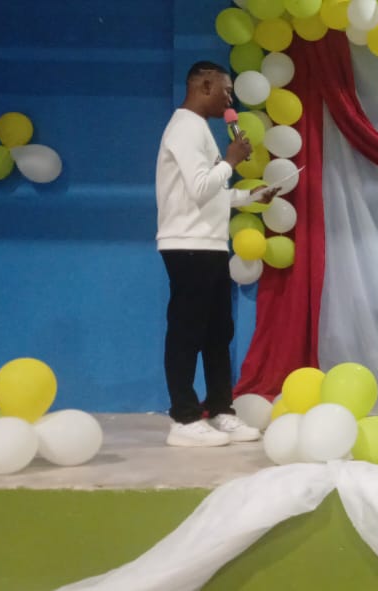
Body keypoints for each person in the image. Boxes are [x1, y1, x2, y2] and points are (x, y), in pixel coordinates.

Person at [156, 61, 276, 447]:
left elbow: (211, 193)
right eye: (226, 92)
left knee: (217, 333)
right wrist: (232, 160)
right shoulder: (185, 127)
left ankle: (221, 408)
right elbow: (200, 187)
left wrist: (249, 196)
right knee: (187, 332)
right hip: (187, 244)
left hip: (209, 244)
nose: (229, 101)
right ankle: (184, 418)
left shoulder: (199, 129)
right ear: (204, 86)